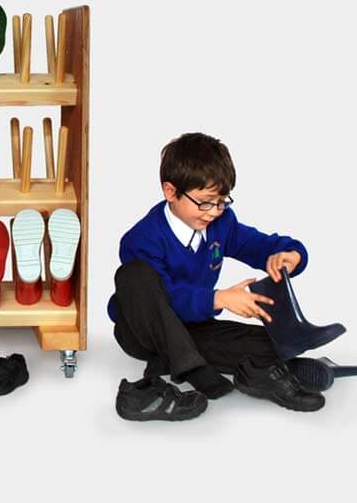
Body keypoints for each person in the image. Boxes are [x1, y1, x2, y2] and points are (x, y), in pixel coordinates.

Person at [110, 132, 325, 420]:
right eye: (205, 202)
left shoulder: (222, 222)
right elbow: (168, 296)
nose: (214, 211)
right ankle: (198, 369)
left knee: (271, 340)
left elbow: (260, 244)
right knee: (133, 275)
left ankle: (263, 365)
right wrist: (219, 298)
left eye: (222, 201)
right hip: (142, 329)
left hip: (193, 327)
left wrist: (291, 255)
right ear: (171, 192)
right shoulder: (142, 239)